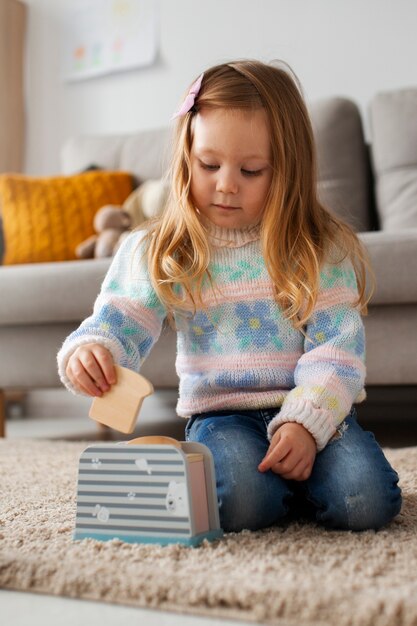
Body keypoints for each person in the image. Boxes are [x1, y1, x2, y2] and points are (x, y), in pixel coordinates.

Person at [57, 60, 402, 533]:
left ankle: (294, 480)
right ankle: (277, 488)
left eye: (251, 169)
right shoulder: (162, 248)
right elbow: (120, 318)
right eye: (209, 164)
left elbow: (337, 349)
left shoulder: (318, 247)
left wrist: (305, 423)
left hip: (311, 408)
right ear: (186, 155)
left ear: (286, 170)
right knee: (241, 503)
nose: (225, 184)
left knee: (365, 501)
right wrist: (91, 351)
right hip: (222, 417)